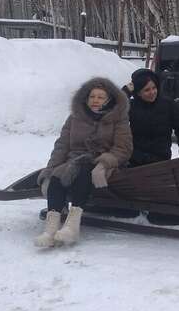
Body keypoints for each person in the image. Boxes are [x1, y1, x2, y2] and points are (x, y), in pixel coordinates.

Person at [35, 77, 133, 248]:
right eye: (92, 96)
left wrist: (103, 164)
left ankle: (72, 228)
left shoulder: (118, 118)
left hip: (102, 164)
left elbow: (123, 148)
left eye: (100, 97)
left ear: (109, 100)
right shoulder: (75, 118)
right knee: (57, 177)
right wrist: (50, 169)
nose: (95, 100)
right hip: (73, 161)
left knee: (83, 173)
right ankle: (50, 230)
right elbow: (62, 146)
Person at [122, 69, 179, 166]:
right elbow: (109, 113)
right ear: (138, 92)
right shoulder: (131, 106)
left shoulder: (168, 104)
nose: (152, 92)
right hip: (136, 161)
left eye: (154, 88)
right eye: (146, 90)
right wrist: (125, 92)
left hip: (161, 161)